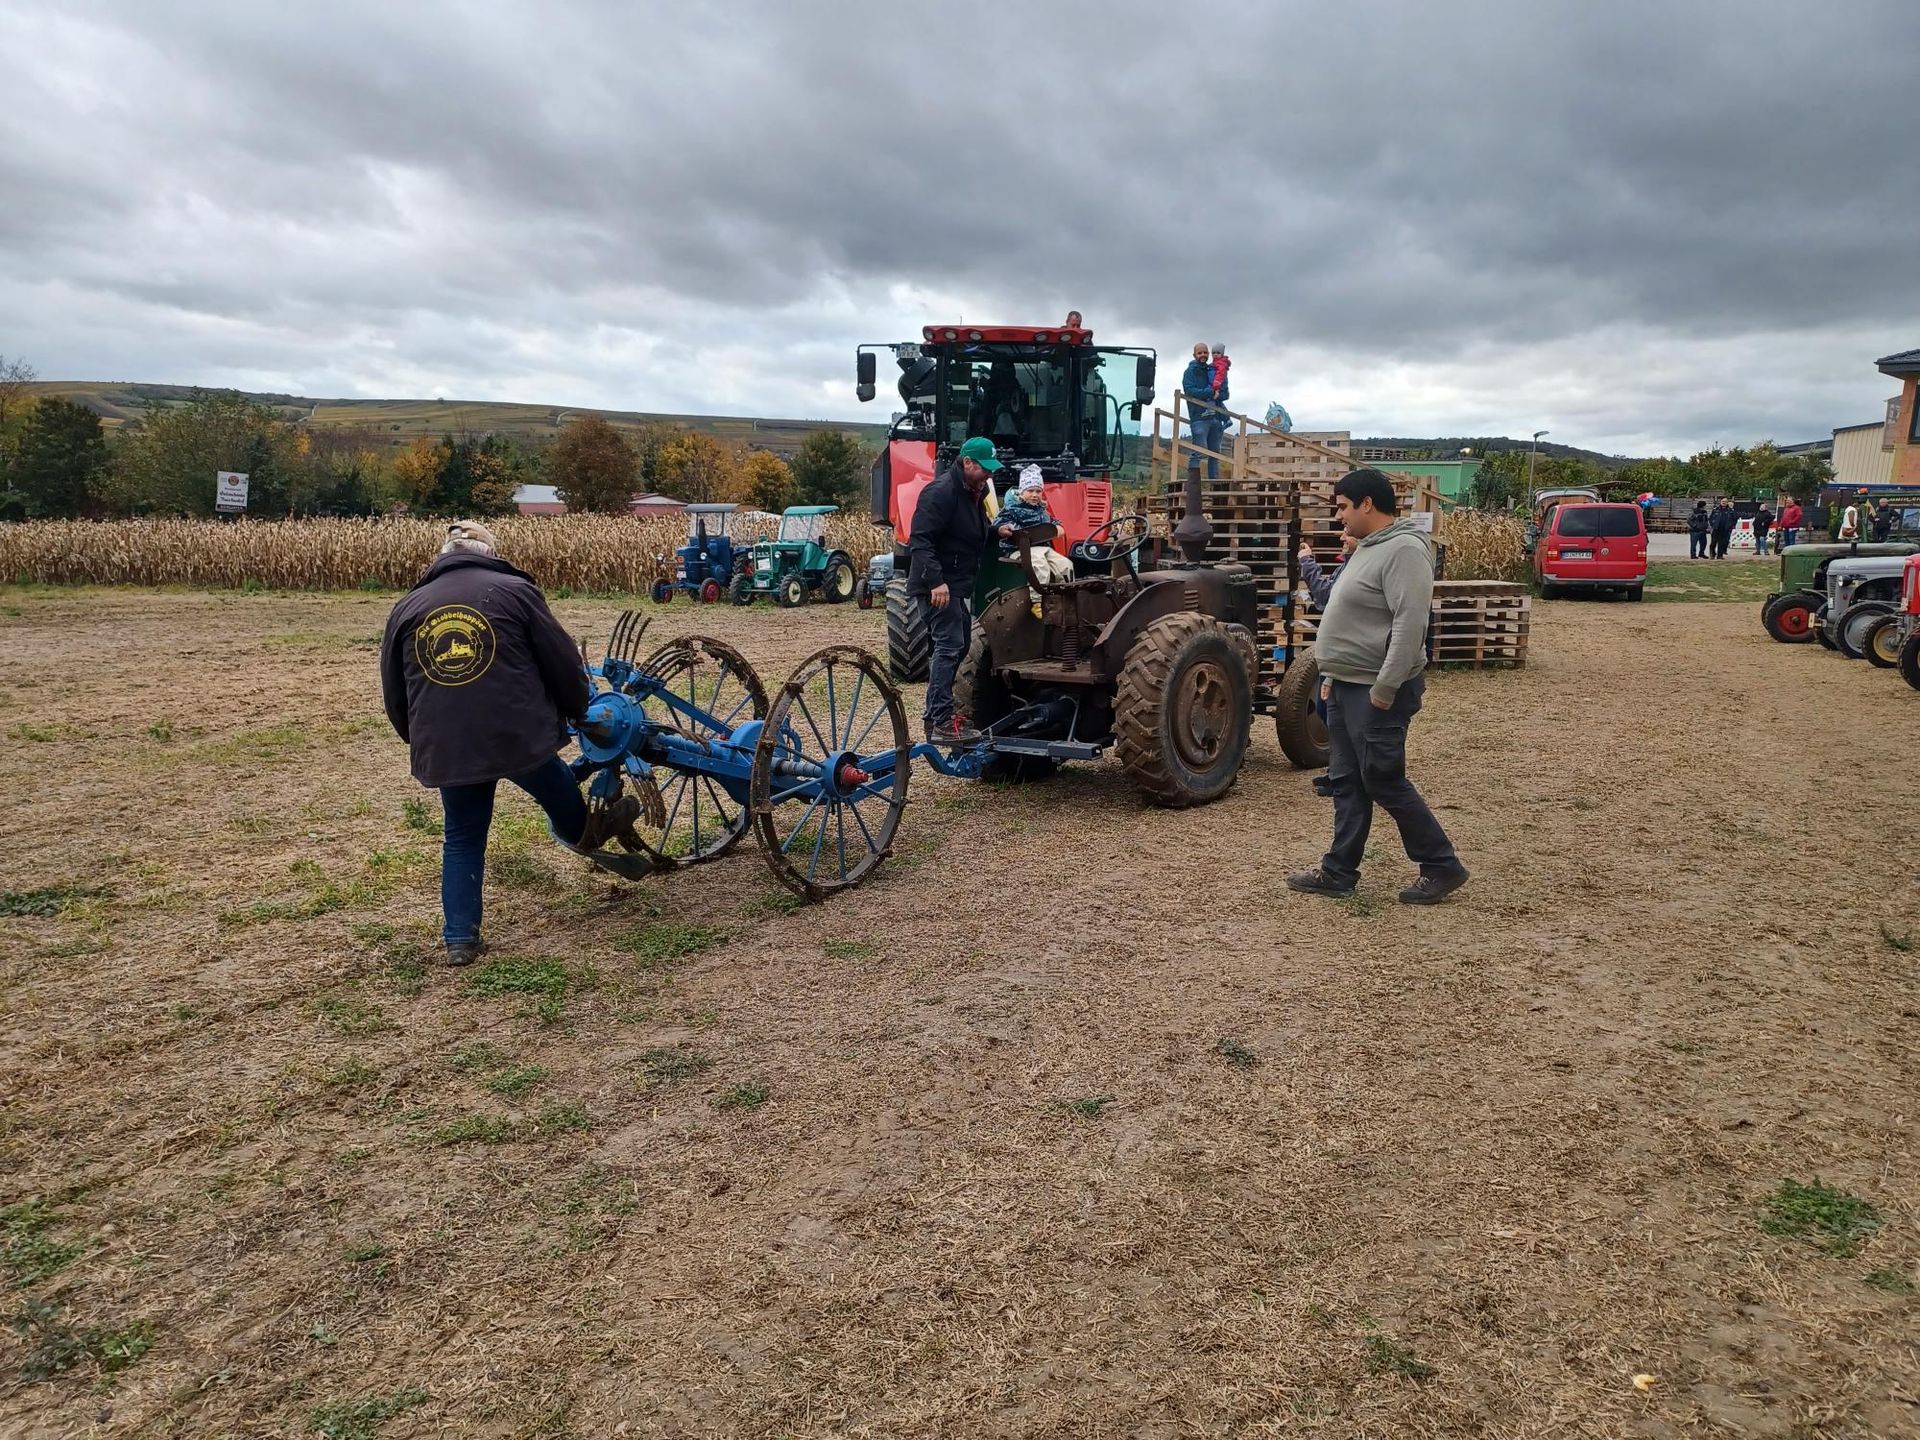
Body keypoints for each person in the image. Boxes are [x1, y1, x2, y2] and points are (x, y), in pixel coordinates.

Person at [380, 521, 639, 965]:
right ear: (489, 553)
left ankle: (460, 939)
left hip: (449, 744)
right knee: (553, 782)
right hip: (516, 733)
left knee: (462, 834)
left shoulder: (408, 607)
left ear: (444, 555)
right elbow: (561, 660)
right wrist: (577, 708)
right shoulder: (515, 591)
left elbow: (394, 691)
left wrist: (423, 738)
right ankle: (584, 831)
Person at [1287, 469, 1468, 906]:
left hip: (1376, 689)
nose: (1338, 516)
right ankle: (1338, 872)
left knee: (1383, 780)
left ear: (1367, 504)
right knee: (1346, 780)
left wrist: (1385, 689)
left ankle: (1441, 865)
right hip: (1347, 685)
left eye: (1342, 507)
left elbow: (1410, 625)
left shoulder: (1404, 550)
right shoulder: (1368, 547)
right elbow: (1351, 617)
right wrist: (1332, 675)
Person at [910, 436, 1000, 745]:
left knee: (960, 646)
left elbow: (967, 534)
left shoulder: (974, 493)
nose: (989, 474)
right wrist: (936, 581)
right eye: (984, 468)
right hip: (936, 586)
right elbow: (920, 540)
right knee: (949, 646)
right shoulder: (941, 492)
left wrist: (996, 533)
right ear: (967, 462)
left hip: (956, 586)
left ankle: (932, 716)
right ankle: (942, 721)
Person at [998, 465, 1076, 615]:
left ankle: (1064, 598)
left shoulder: (1041, 510)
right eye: (1030, 491)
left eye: (1038, 491)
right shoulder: (1011, 509)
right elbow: (999, 525)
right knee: (1040, 564)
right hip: (1019, 549)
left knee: (1065, 565)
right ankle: (1037, 601)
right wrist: (1009, 529)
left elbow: (1053, 522)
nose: (1034, 495)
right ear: (1022, 492)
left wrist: (1057, 527)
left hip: (1042, 547)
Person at [1182, 342, 1225, 479]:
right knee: (1198, 452)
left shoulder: (1212, 370)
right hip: (1199, 417)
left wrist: (1221, 391)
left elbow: (1223, 393)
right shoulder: (1189, 372)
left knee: (1215, 454)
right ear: (1194, 355)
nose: (1203, 355)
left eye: (1205, 352)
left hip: (1215, 416)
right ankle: (1193, 486)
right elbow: (1190, 391)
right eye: (1200, 353)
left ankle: (1215, 485)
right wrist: (1210, 392)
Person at [1296, 532, 1359, 608]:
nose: (1341, 538)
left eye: (1347, 533)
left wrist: (1307, 561)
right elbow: (1326, 589)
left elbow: (1325, 595)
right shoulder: (1348, 564)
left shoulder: (1357, 567)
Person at [1210, 342, 1231, 412]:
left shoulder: (1221, 364)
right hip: (1219, 387)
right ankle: (1225, 416)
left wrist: (1216, 387)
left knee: (1213, 398)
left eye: (1218, 353)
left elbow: (1220, 375)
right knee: (1218, 402)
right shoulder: (1215, 364)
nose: (1215, 354)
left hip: (1219, 388)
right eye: (1213, 353)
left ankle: (1211, 409)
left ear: (1222, 354)